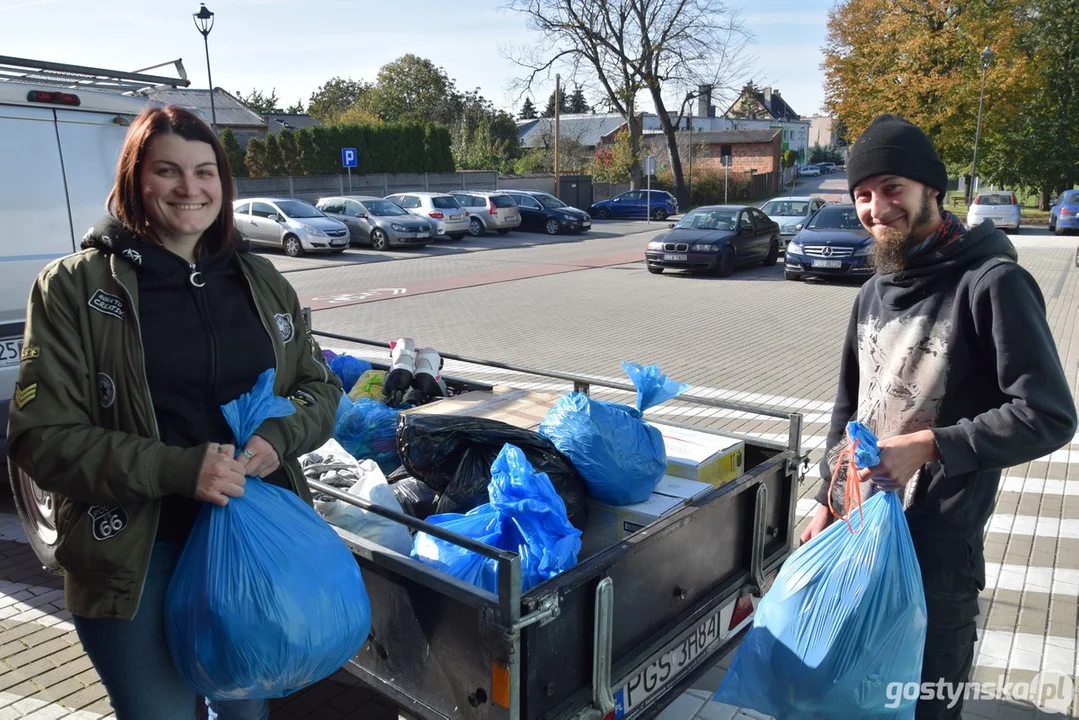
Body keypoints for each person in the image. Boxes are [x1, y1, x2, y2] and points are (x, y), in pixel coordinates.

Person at [5, 105, 343, 720]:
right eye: (168, 171)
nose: (191, 188)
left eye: (205, 171)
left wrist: (278, 435)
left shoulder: (263, 280)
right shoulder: (73, 289)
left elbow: (319, 388)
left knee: (245, 710)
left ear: (224, 183)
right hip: (136, 555)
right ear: (136, 179)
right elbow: (41, 440)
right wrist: (177, 470)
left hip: (252, 544)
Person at [799, 114, 1077, 719]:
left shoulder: (993, 283)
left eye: (892, 187)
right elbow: (851, 408)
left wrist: (928, 445)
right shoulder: (873, 290)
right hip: (859, 535)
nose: (877, 208)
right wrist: (826, 496)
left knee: (923, 706)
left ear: (933, 190)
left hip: (936, 558)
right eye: (863, 195)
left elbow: (1048, 414)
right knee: (857, 698)